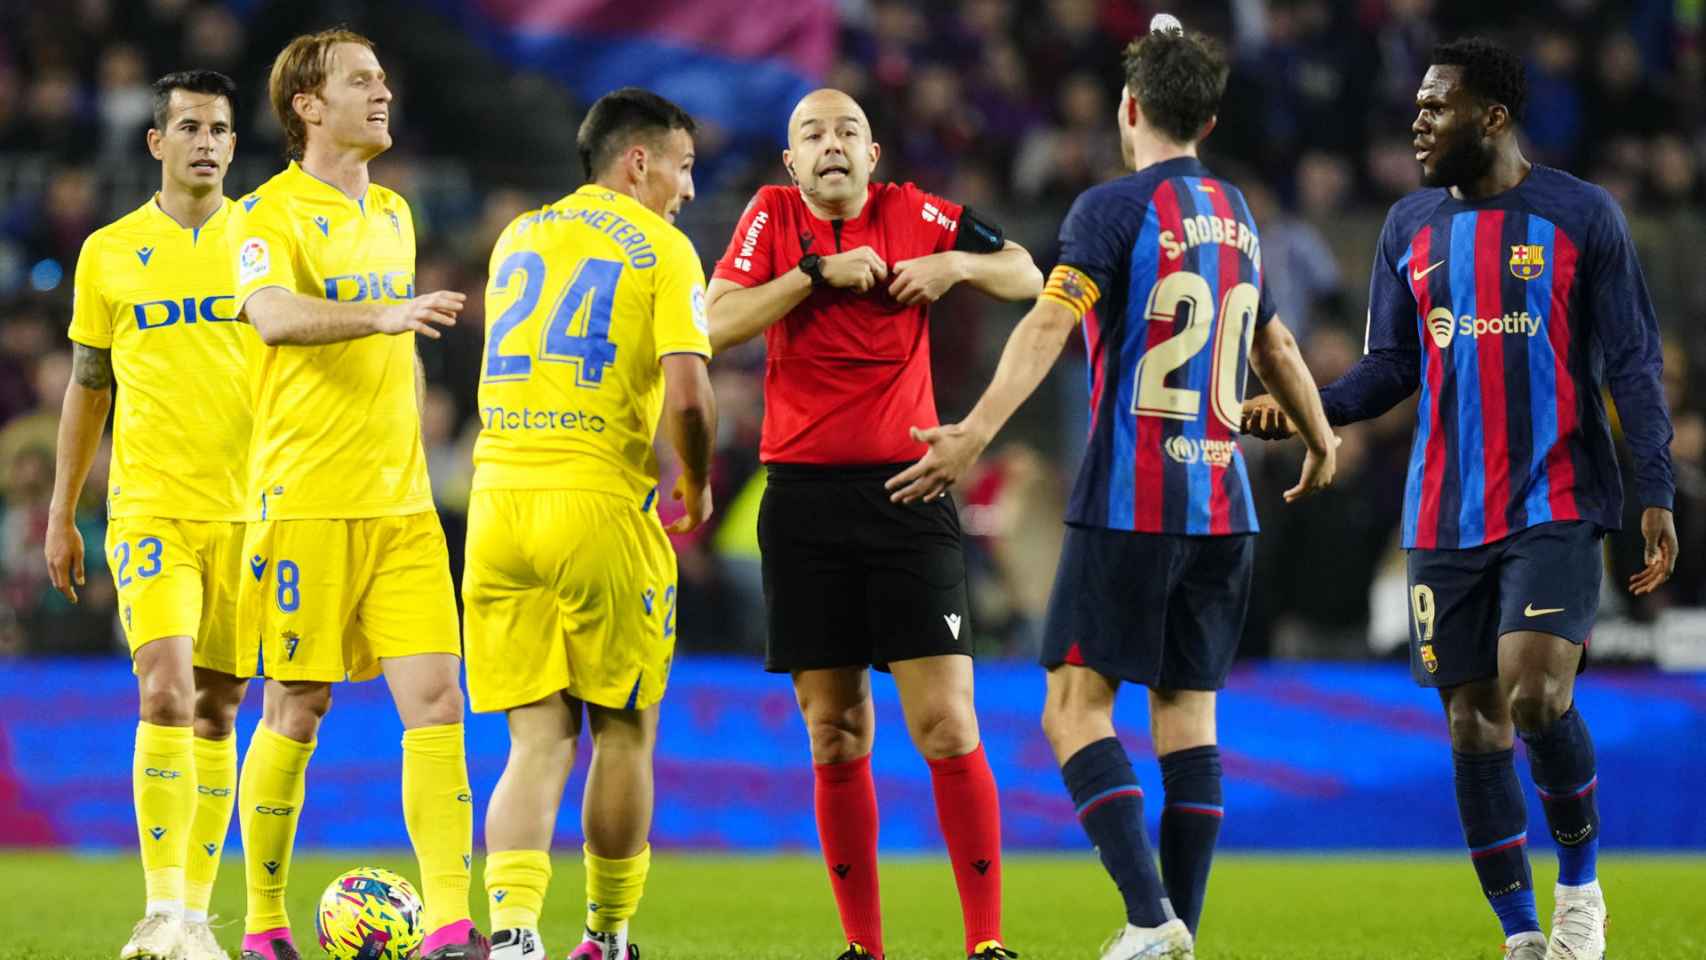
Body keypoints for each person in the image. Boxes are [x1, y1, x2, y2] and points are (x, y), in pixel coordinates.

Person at [889, 17, 1337, 960]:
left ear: (1129, 109)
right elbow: (1279, 346)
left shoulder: (1108, 208)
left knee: (1073, 708)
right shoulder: (1242, 214)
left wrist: (974, 429)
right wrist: (1320, 436)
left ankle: (1149, 917)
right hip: (1224, 506)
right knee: (1187, 718)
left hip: (1134, 496)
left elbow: (1049, 326)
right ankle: (1177, 929)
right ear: (1208, 121)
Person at [1243, 37, 1679, 960]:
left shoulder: (1580, 215)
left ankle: (1581, 889)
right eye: (1417, 106)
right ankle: (1522, 936)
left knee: (1534, 694)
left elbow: (1634, 362)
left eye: (1437, 106)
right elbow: (1393, 364)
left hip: (1557, 496)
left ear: (1492, 115)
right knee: (1472, 718)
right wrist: (1308, 409)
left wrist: (1655, 486)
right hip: (1443, 512)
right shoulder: (1408, 229)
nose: (1418, 121)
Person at [706, 88, 1042, 960]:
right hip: (805, 504)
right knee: (836, 729)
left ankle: (986, 944)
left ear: (873, 153)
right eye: (810, 134)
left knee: (948, 725)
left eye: (846, 131)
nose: (829, 145)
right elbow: (713, 322)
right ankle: (865, 949)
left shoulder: (917, 212)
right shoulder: (773, 218)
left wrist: (953, 267)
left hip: (909, 492)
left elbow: (1028, 274)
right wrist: (814, 274)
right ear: (790, 163)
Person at [227, 29, 486, 960]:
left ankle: (452, 924)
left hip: (403, 507)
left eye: (383, 78)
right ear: (307, 104)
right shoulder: (265, 216)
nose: (383, 92)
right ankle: (261, 923)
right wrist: (382, 315)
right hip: (306, 499)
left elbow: (401, 356)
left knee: (438, 701)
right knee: (297, 706)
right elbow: (270, 318)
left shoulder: (397, 214)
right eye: (361, 80)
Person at [466, 87, 716, 960]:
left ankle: (512, 935)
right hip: (595, 499)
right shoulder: (664, 248)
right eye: (683, 167)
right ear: (638, 161)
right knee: (623, 727)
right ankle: (606, 939)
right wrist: (696, 476)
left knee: (534, 740)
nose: (689, 189)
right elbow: (687, 392)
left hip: (496, 502)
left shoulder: (518, 236)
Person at [44, 70, 252, 960]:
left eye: (221, 129)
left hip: (252, 513)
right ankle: (160, 910)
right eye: (191, 127)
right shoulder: (108, 253)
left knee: (217, 709)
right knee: (163, 691)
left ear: (236, 146)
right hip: (151, 510)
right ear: (156, 143)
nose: (207, 142)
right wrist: (62, 512)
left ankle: (197, 920)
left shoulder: (267, 240)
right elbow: (89, 390)